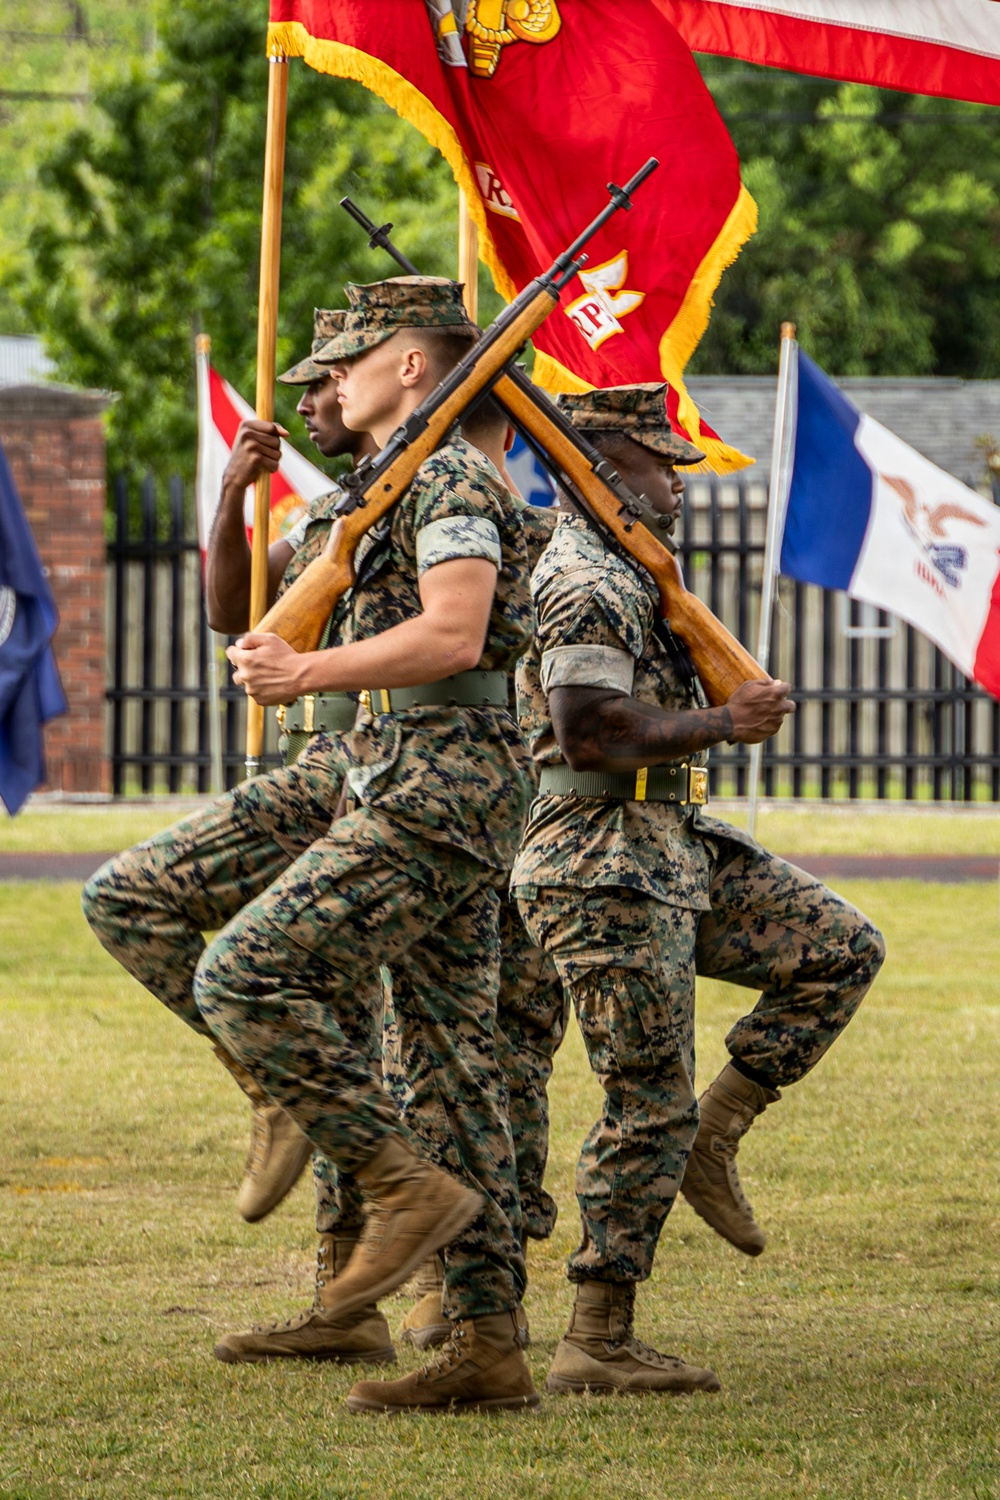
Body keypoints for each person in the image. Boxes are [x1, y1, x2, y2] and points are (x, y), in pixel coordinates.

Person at [83, 277, 540, 1415]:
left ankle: (396, 1185)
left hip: (440, 780)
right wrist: (236, 506)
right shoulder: (373, 488)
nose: (324, 386)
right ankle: (486, 1345)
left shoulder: (444, 479)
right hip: (388, 774)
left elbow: (456, 629)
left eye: (342, 364)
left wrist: (305, 675)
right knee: (446, 1066)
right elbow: (245, 614)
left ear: (413, 367)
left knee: (246, 970)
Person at [511, 383, 886, 1397]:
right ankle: (596, 1334)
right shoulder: (585, 578)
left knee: (838, 948)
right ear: (602, 465)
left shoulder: (634, 571)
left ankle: (717, 1133)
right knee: (643, 1101)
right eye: (655, 465)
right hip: (600, 863)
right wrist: (725, 726)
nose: (674, 485)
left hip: (668, 842)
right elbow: (589, 728)